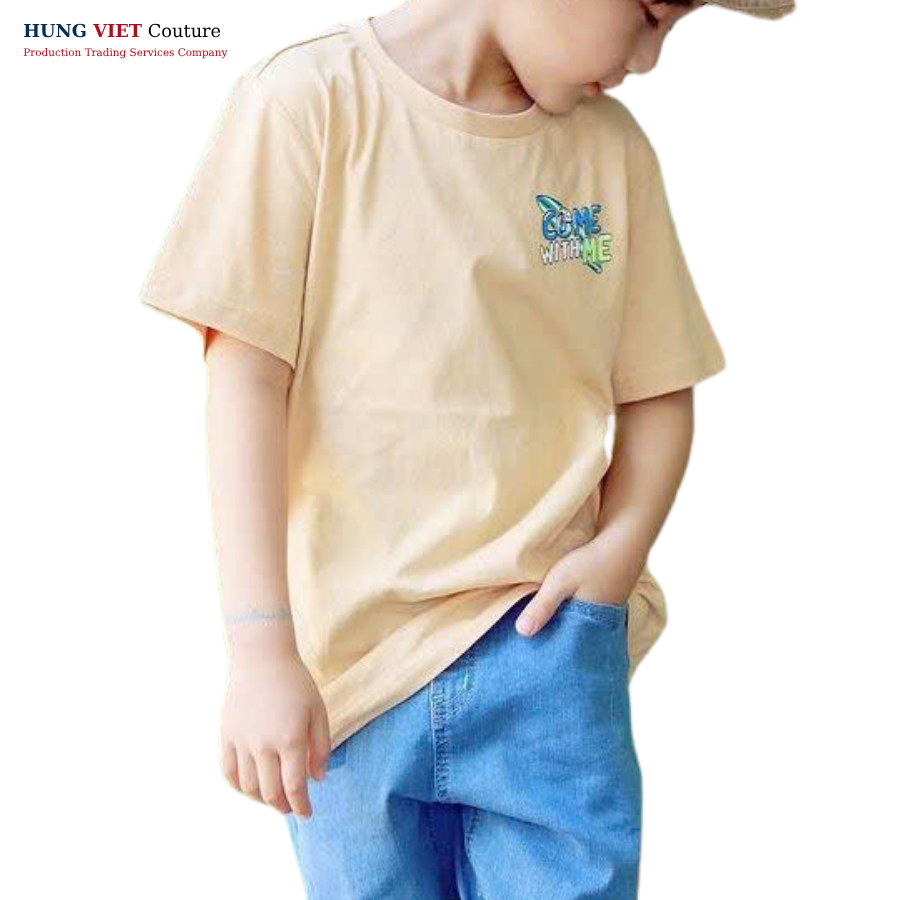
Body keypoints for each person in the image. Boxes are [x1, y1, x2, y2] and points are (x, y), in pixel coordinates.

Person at [138, 0, 795, 896]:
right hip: (350, 682)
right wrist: (258, 649)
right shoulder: (304, 104)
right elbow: (244, 384)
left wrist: (620, 549)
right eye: (649, 13)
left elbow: (658, 389)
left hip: (546, 643)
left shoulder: (613, 154)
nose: (648, 59)